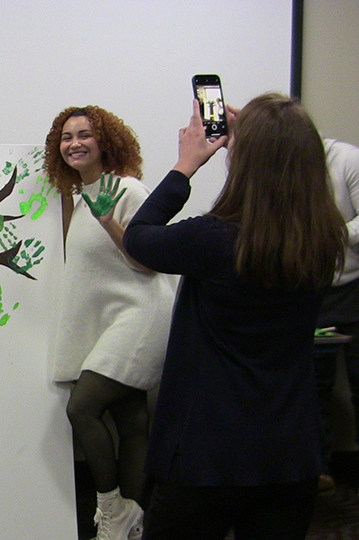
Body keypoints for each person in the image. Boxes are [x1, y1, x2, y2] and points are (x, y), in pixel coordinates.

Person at [123, 94, 346, 540]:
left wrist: (185, 165)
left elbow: (139, 237)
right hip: (290, 456)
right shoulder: (323, 242)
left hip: (207, 457)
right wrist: (269, 134)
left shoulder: (214, 240)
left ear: (243, 161)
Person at [44, 106, 176, 540]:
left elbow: (149, 260)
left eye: (85, 134)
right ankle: (131, 524)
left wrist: (109, 220)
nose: (75, 143)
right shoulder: (80, 197)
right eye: (66, 137)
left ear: (106, 141)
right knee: (132, 421)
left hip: (142, 313)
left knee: (82, 408)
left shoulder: (128, 190)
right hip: (112, 321)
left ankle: (111, 512)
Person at [313, 137, 359, 492]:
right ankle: (319, 469)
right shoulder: (283, 168)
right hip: (312, 288)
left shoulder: (346, 160)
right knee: (315, 386)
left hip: (355, 284)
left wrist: (333, 234)